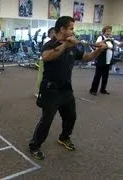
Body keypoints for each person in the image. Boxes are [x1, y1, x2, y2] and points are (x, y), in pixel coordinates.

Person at [29, 16, 107, 160]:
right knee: (46, 121)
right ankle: (34, 145)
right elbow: (46, 57)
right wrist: (65, 45)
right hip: (50, 90)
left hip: (66, 90)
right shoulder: (49, 44)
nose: (73, 31)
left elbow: (87, 57)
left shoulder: (74, 47)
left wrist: (99, 51)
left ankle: (64, 137)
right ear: (62, 29)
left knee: (71, 117)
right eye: (71, 28)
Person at [89, 26, 123, 96]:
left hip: (108, 60)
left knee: (105, 76)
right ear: (104, 32)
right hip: (101, 59)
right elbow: (96, 44)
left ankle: (103, 89)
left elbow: (120, 44)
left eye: (110, 31)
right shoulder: (101, 37)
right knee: (98, 76)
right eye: (107, 31)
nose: (108, 32)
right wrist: (105, 42)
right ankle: (93, 90)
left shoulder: (111, 39)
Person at [34, 27, 56, 98]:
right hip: (44, 60)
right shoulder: (47, 40)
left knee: (50, 77)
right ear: (49, 33)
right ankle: (40, 93)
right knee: (42, 77)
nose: (55, 34)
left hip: (51, 61)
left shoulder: (55, 41)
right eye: (53, 32)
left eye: (56, 32)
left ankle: (48, 92)